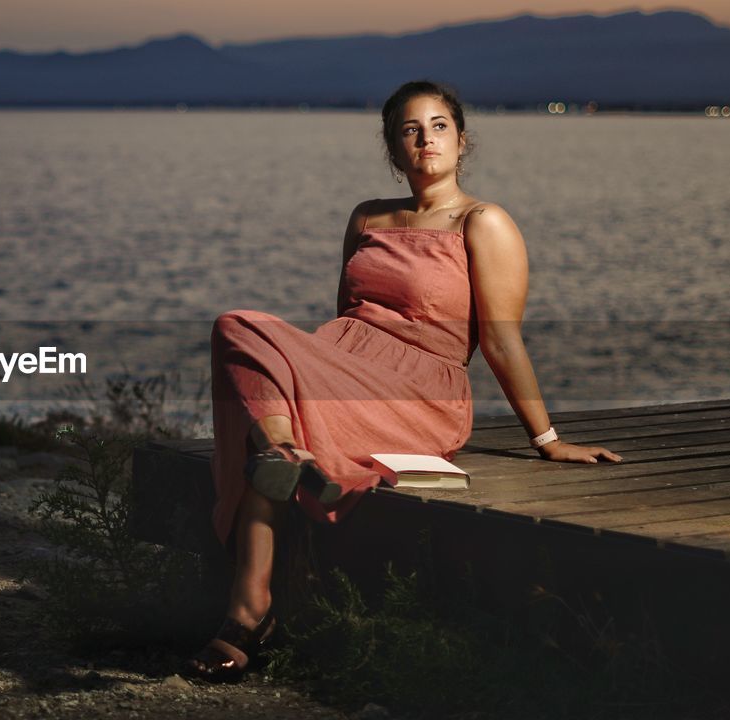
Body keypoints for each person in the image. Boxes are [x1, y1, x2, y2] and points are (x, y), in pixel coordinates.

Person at [184, 80, 624, 683]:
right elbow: (344, 315)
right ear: (393, 149)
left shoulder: (483, 222)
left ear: (462, 140)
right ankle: (282, 468)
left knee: (257, 397)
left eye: (439, 126)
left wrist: (546, 439)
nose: (426, 140)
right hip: (344, 362)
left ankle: (247, 610)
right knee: (237, 331)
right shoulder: (366, 217)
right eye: (410, 130)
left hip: (421, 391)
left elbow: (500, 340)